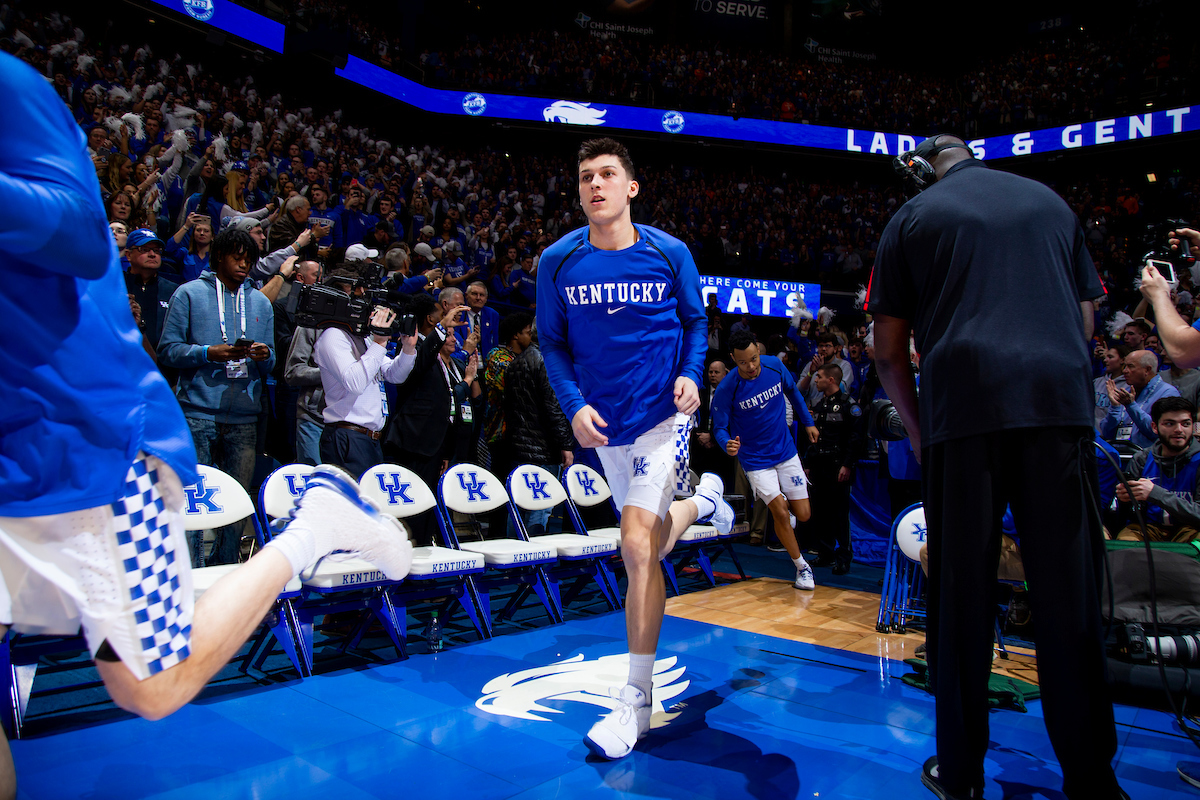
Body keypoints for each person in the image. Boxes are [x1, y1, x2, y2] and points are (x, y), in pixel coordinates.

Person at [0, 52, 411, 800]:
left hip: (75, 438)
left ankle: (314, 523)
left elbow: (83, 234)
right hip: (53, 437)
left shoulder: (8, 84)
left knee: (151, 687)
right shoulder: (195, 294)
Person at [866, 134, 1125, 799]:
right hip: (1055, 407)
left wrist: (922, 434)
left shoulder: (914, 217)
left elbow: (887, 351)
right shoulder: (1050, 203)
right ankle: (1092, 778)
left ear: (922, 169)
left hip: (964, 413)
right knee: (1069, 601)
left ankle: (963, 773)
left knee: (960, 600)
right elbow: (1087, 323)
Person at [538, 137, 733, 760]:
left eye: (607, 174)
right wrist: (574, 407)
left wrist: (691, 373)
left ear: (631, 188)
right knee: (647, 543)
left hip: (658, 421)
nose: (595, 185)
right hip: (603, 428)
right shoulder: (557, 261)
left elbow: (698, 322)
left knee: (633, 546)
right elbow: (552, 345)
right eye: (586, 176)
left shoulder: (668, 252)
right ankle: (704, 505)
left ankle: (635, 698)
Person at [157, 227, 277, 566]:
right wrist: (208, 353)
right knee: (193, 501)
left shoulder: (260, 303)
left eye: (249, 260)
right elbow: (168, 350)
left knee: (235, 503)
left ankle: (225, 569)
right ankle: (189, 571)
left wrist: (262, 355)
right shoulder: (189, 294)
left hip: (244, 416)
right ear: (219, 257)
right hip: (198, 413)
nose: (243, 265)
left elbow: (272, 364)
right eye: (237, 258)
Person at [711, 330, 819, 590]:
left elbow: (794, 393)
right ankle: (802, 567)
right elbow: (719, 427)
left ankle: (787, 515)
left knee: (802, 515)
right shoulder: (728, 388)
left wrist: (808, 423)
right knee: (779, 511)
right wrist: (727, 443)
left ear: (759, 353)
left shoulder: (775, 365)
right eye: (743, 363)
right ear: (733, 360)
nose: (751, 367)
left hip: (785, 451)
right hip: (756, 460)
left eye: (754, 359)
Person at [312, 267, 422, 479]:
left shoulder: (363, 337)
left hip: (370, 438)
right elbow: (354, 382)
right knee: (351, 507)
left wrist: (408, 349)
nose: (363, 301)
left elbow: (393, 375)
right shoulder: (333, 336)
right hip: (347, 435)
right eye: (355, 295)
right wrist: (380, 342)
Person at [807, 362, 865, 573]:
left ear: (831, 380)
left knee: (839, 514)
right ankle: (825, 553)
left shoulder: (849, 405)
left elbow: (855, 440)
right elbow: (814, 439)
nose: (815, 380)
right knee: (820, 511)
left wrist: (847, 465)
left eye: (819, 376)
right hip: (819, 466)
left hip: (838, 466)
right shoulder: (820, 405)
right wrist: (809, 464)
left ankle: (843, 557)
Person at [1115, 396, 1200, 542]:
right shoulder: (1141, 459)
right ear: (1155, 427)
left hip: (1189, 528)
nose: (1179, 430)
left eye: (1185, 424)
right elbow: (1126, 515)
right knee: (1125, 543)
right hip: (1148, 527)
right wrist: (1124, 500)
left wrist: (1155, 494)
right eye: (1169, 424)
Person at [1098, 349, 1179, 449]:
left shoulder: (1168, 393)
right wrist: (1115, 407)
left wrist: (1131, 406)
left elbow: (1157, 431)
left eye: (1130, 366)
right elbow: (1107, 433)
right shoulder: (1125, 392)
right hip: (1118, 456)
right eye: (1125, 366)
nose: (1124, 371)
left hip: (1145, 459)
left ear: (1147, 370)